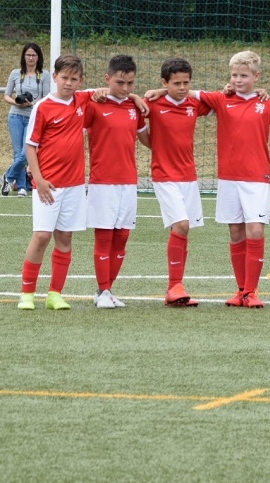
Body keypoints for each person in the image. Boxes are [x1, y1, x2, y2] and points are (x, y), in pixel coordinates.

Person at [199, 51, 270, 309]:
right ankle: (241, 291)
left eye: (244, 75)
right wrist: (156, 93)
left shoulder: (267, 104)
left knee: (255, 230)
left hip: (256, 178)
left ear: (256, 76)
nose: (238, 80)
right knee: (235, 231)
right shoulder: (221, 99)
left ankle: (252, 291)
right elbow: (188, 94)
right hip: (228, 178)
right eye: (234, 75)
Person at [16, 54, 92, 311]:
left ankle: (55, 294)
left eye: (74, 79)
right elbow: (30, 146)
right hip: (48, 185)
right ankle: (27, 294)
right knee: (41, 236)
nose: (68, 83)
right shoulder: (43, 107)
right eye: (64, 77)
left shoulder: (82, 100)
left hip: (74, 185)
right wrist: (38, 179)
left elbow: (111, 90)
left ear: (81, 81)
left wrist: (137, 97)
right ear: (55, 77)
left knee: (65, 237)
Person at [144, 58, 213, 307]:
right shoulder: (153, 104)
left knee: (184, 230)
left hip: (189, 176)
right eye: (176, 83)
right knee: (181, 224)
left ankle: (177, 286)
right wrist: (160, 93)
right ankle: (174, 286)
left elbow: (220, 101)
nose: (182, 88)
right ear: (165, 82)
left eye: (186, 82)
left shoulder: (194, 104)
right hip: (164, 175)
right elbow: (133, 108)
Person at [84, 54, 149, 309]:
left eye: (130, 83)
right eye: (120, 83)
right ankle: (103, 291)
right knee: (104, 236)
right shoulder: (93, 104)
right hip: (102, 182)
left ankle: (106, 291)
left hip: (129, 182)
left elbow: (148, 140)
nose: (125, 88)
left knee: (122, 237)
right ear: (107, 79)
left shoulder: (134, 106)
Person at [2, 42, 51, 198]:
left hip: (33, 117)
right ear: (24, 56)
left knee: (25, 154)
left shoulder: (44, 75)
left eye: (34, 55)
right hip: (15, 116)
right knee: (18, 154)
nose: (31, 58)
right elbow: (6, 95)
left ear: (38, 57)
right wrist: (16, 102)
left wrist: (32, 103)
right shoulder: (16, 73)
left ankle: (9, 176)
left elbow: (46, 97)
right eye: (28, 55)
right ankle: (22, 187)